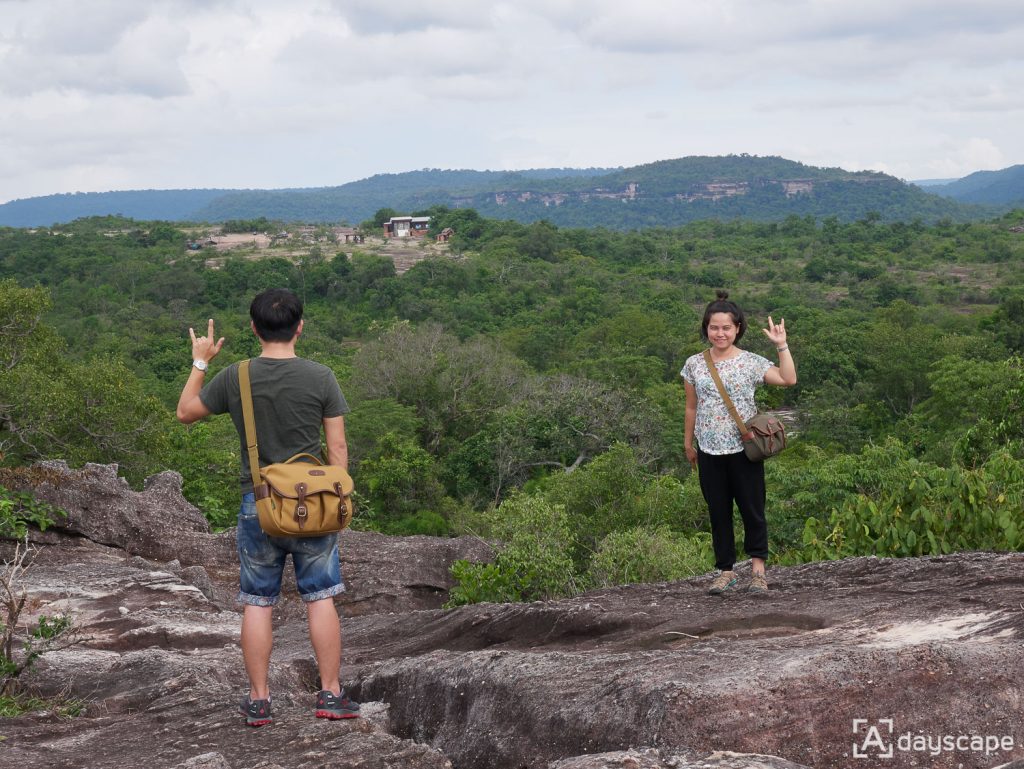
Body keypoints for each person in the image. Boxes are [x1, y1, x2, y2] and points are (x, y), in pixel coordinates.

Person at [176, 288, 360, 727]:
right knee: (320, 597)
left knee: (258, 602)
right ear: (300, 327)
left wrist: (201, 361)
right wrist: (336, 500)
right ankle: (330, 695)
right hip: (313, 501)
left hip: (258, 503)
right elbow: (337, 448)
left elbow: (184, 412)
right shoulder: (321, 377)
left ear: (254, 329)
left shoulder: (236, 377)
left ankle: (259, 700)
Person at [681, 290, 797, 595]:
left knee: (751, 509)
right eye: (714, 327)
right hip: (708, 448)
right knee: (718, 513)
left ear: (738, 329)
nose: (720, 333)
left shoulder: (749, 362)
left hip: (744, 450)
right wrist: (688, 443)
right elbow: (691, 406)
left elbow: (788, 379)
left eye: (726, 328)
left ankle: (758, 571)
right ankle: (726, 570)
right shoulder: (694, 364)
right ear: (706, 328)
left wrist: (781, 345)